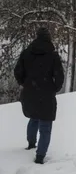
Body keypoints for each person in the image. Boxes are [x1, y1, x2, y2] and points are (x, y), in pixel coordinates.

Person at [14, 27, 64, 164]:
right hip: (46, 94)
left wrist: (25, 83)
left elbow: (17, 72)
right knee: (45, 125)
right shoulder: (53, 55)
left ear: (36, 37)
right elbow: (59, 76)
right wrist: (54, 88)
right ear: (48, 38)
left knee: (34, 117)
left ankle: (31, 144)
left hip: (30, 93)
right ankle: (40, 156)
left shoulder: (26, 53)